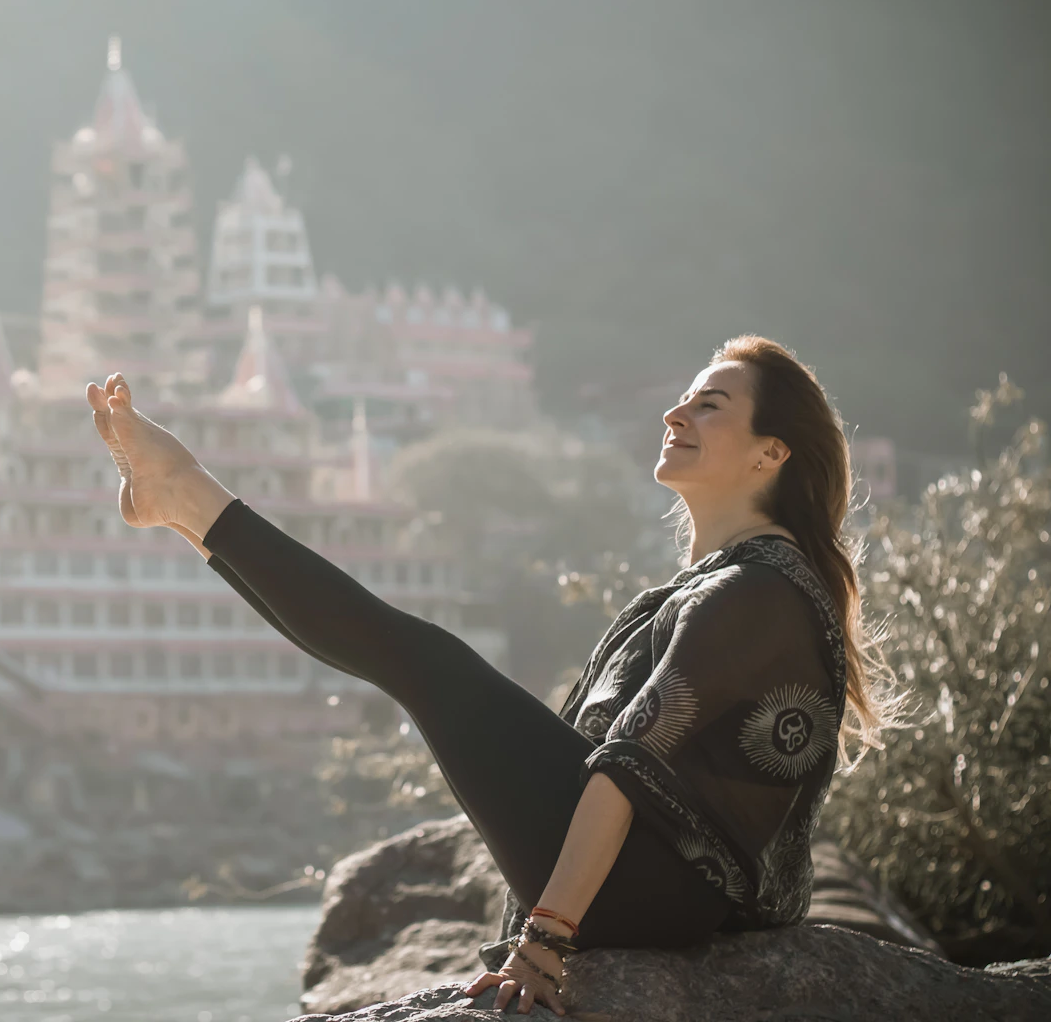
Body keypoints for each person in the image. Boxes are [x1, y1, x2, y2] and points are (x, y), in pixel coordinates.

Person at [85, 335, 898, 1016]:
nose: (675, 413)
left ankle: (189, 498)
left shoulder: (757, 589)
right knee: (412, 663)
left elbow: (629, 769)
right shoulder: (737, 581)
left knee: (425, 663)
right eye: (684, 398)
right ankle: (184, 508)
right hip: (657, 891)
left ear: (771, 452)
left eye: (709, 404)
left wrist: (546, 937)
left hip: (657, 892)